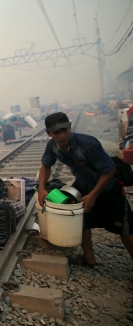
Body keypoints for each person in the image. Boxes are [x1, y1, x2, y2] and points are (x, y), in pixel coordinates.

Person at [38, 112, 133, 267]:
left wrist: (93, 195)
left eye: (65, 130)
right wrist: (41, 188)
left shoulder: (88, 145)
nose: (62, 136)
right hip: (83, 185)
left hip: (109, 188)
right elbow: (46, 166)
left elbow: (109, 171)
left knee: (126, 229)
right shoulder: (53, 146)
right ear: (49, 134)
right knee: (80, 220)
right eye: (57, 133)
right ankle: (89, 259)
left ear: (69, 127)